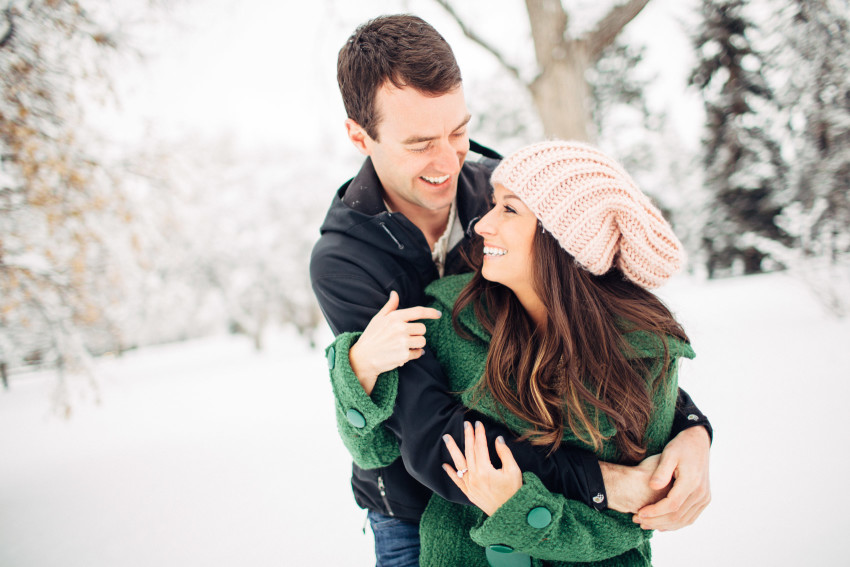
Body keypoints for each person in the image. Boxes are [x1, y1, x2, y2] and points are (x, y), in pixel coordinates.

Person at [310, 14, 712, 566]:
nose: (449, 160)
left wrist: (691, 430)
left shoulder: (506, 191)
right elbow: (432, 437)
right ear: (360, 136)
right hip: (416, 508)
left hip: (552, 501)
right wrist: (605, 482)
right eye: (420, 142)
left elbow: (592, 329)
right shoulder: (347, 262)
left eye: (458, 131)